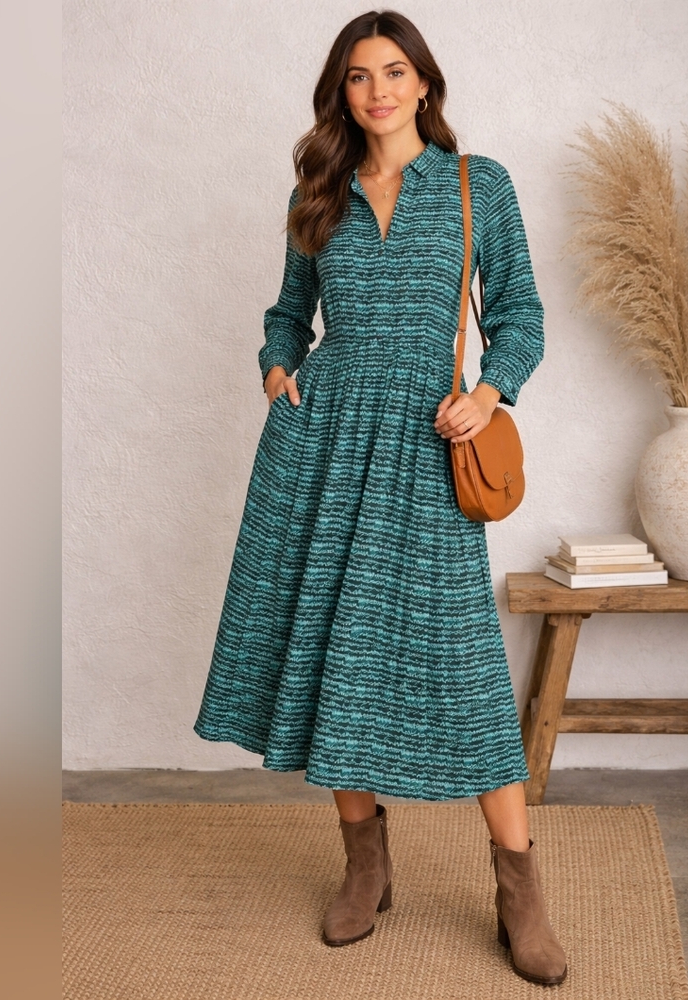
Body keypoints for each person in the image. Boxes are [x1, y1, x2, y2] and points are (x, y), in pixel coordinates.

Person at [194, 9, 567, 985]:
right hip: (324, 441)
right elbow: (289, 314)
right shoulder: (317, 191)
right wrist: (278, 367)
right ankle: (366, 866)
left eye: (394, 71)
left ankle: (519, 889)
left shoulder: (477, 185)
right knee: (339, 649)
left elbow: (522, 313)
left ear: (424, 82)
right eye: (359, 76)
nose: (378, 91)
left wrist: (489, 393)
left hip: (429, 441)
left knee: (466, 665)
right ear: (342, 91)